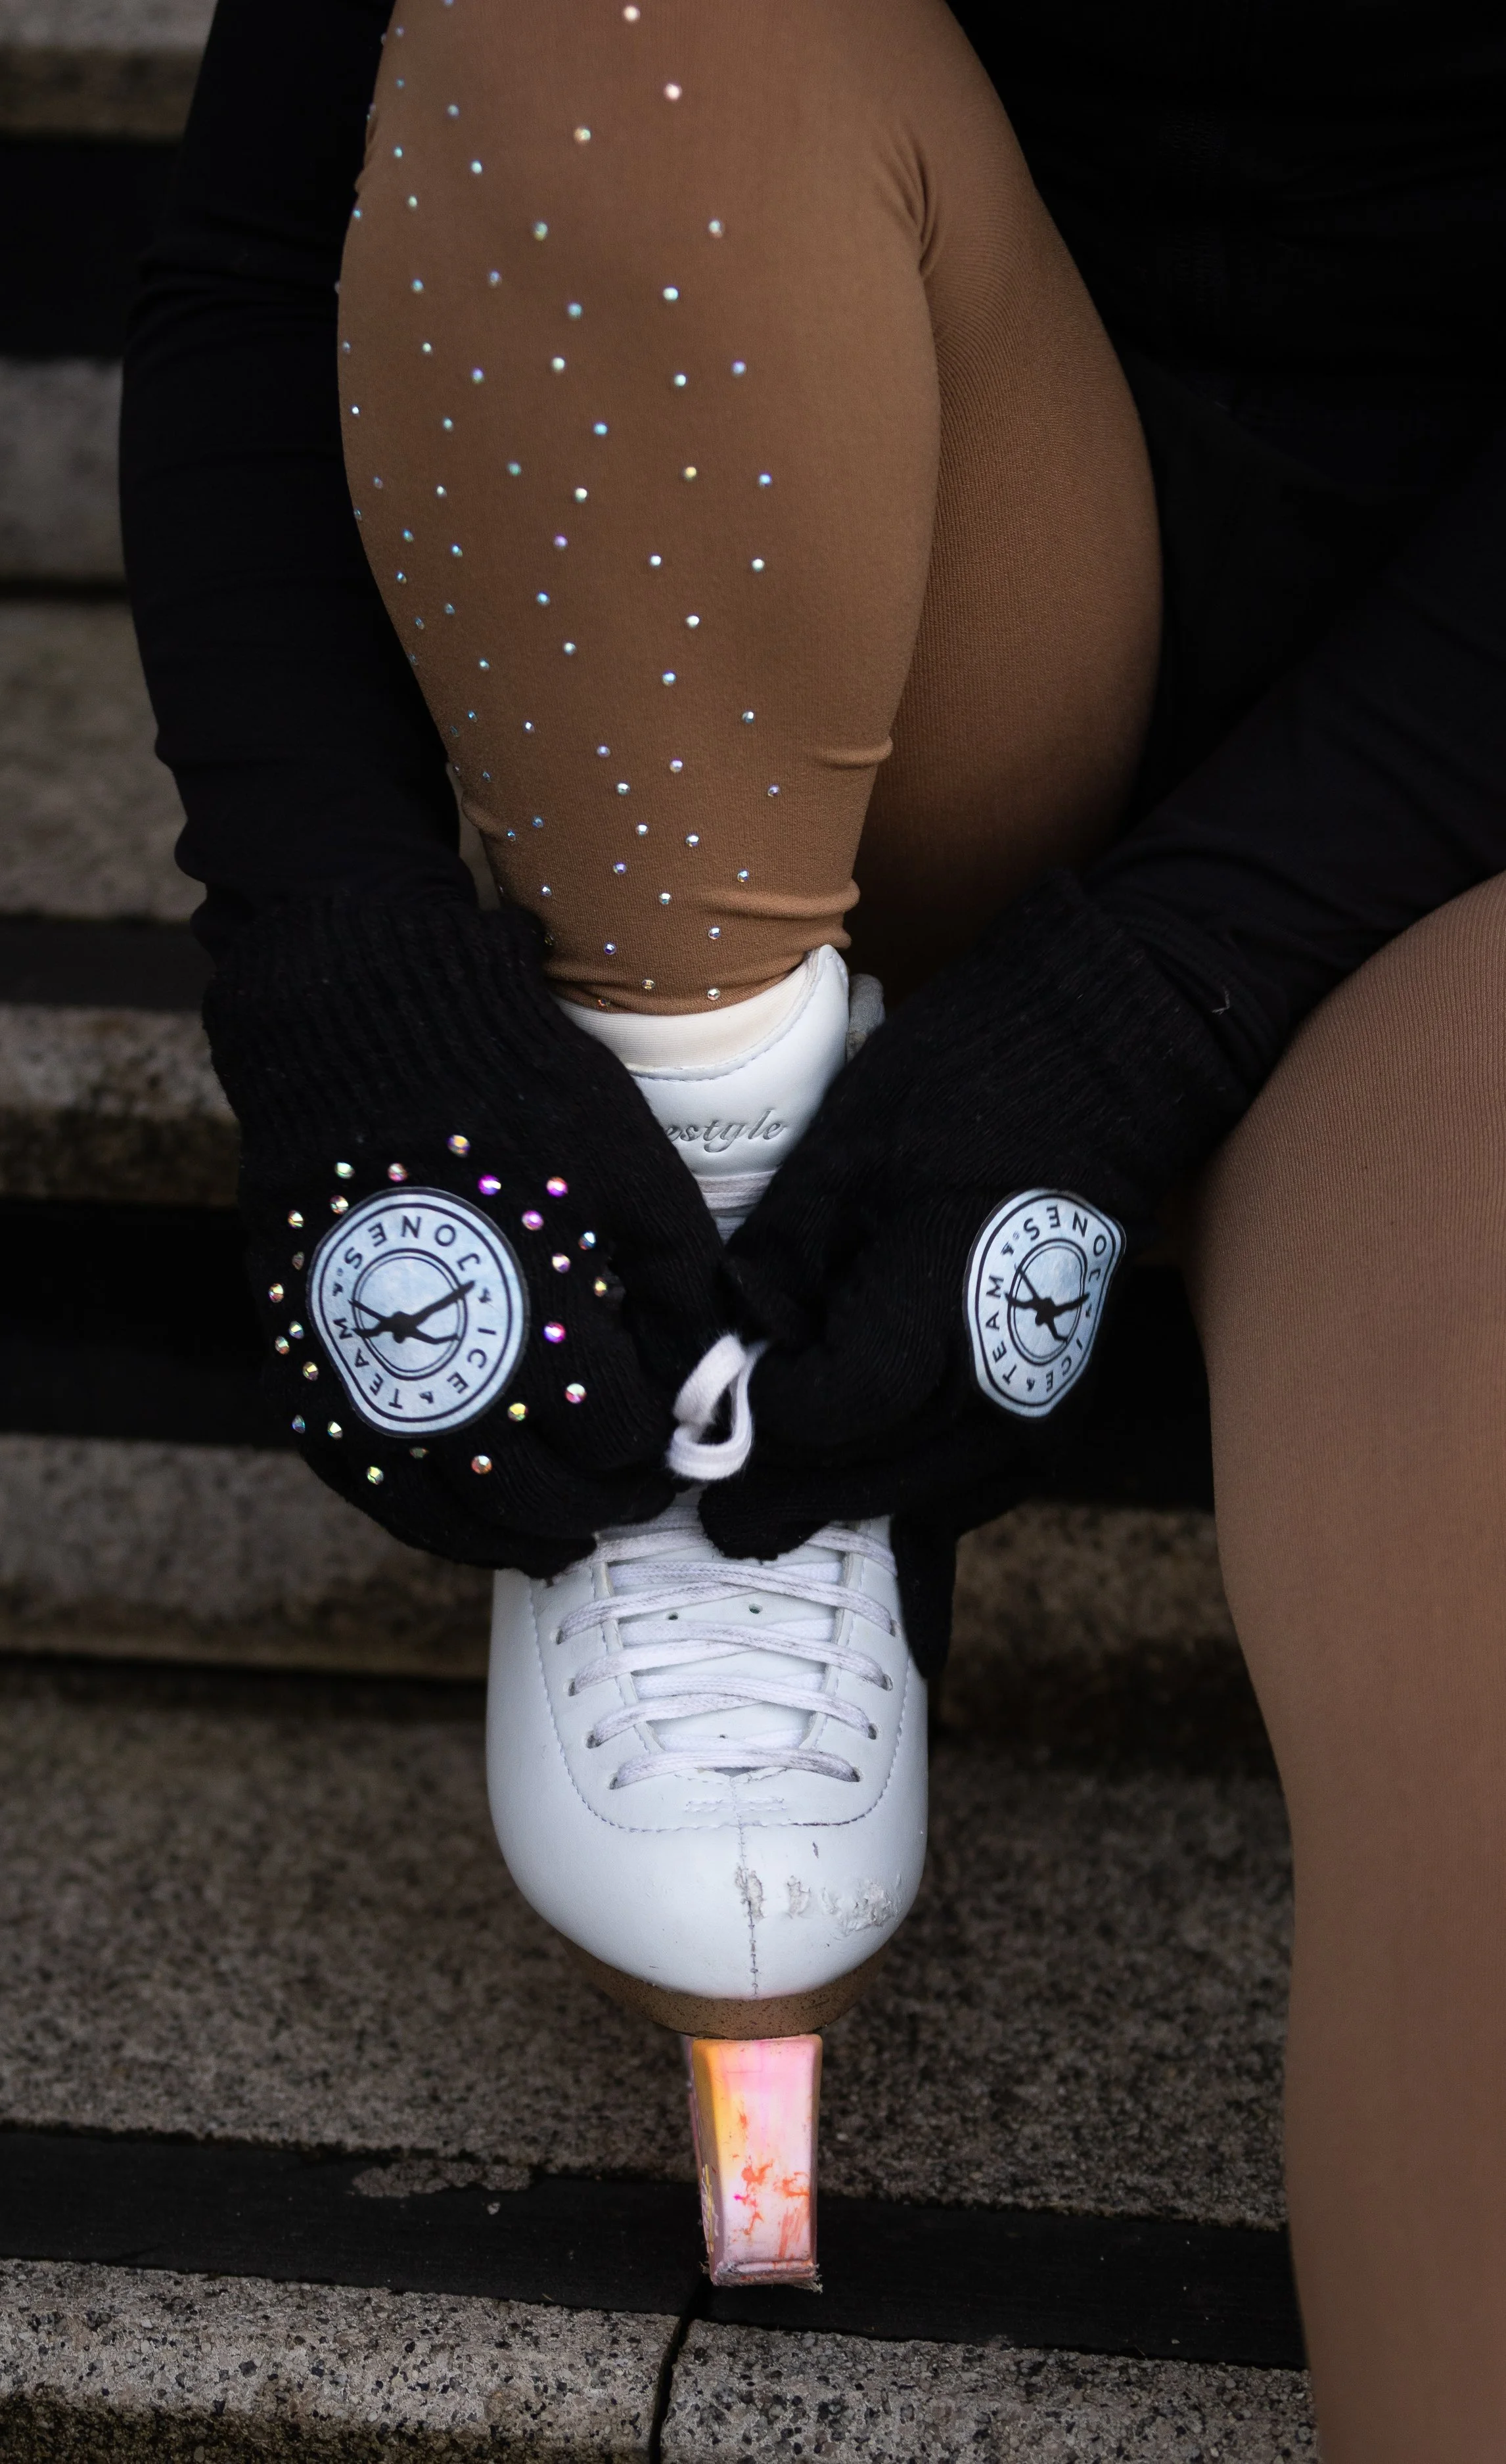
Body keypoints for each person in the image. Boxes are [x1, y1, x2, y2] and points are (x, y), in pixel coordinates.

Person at [123, 0, 1506, 2436]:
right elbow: (267, 229)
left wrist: (1164, 989)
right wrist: (328, 945)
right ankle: (709, 1161)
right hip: (883, 574)